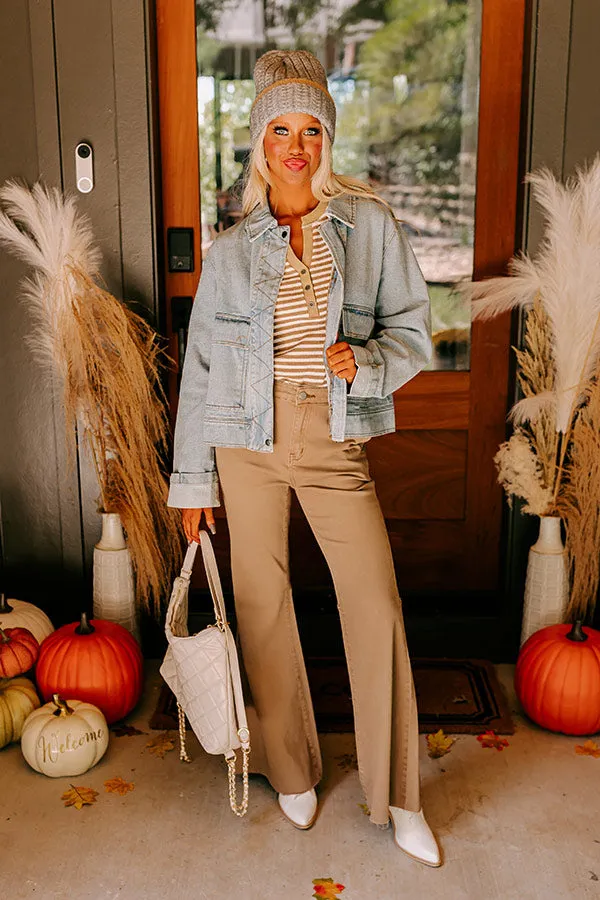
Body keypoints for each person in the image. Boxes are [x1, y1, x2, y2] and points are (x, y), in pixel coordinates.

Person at [167, 49, 442, 867]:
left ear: (328, 137)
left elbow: (415, 331)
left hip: (332, 434)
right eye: (280, 130)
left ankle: (398, 796)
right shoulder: (232, 247)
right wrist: (193, 480)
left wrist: (369, 361)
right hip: (242, 442)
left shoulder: (370, 227)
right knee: (261, 600)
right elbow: (201, 372)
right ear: (260, 142)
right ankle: (291, 769)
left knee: (375, 606)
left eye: (310, 129)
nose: (296, 145)